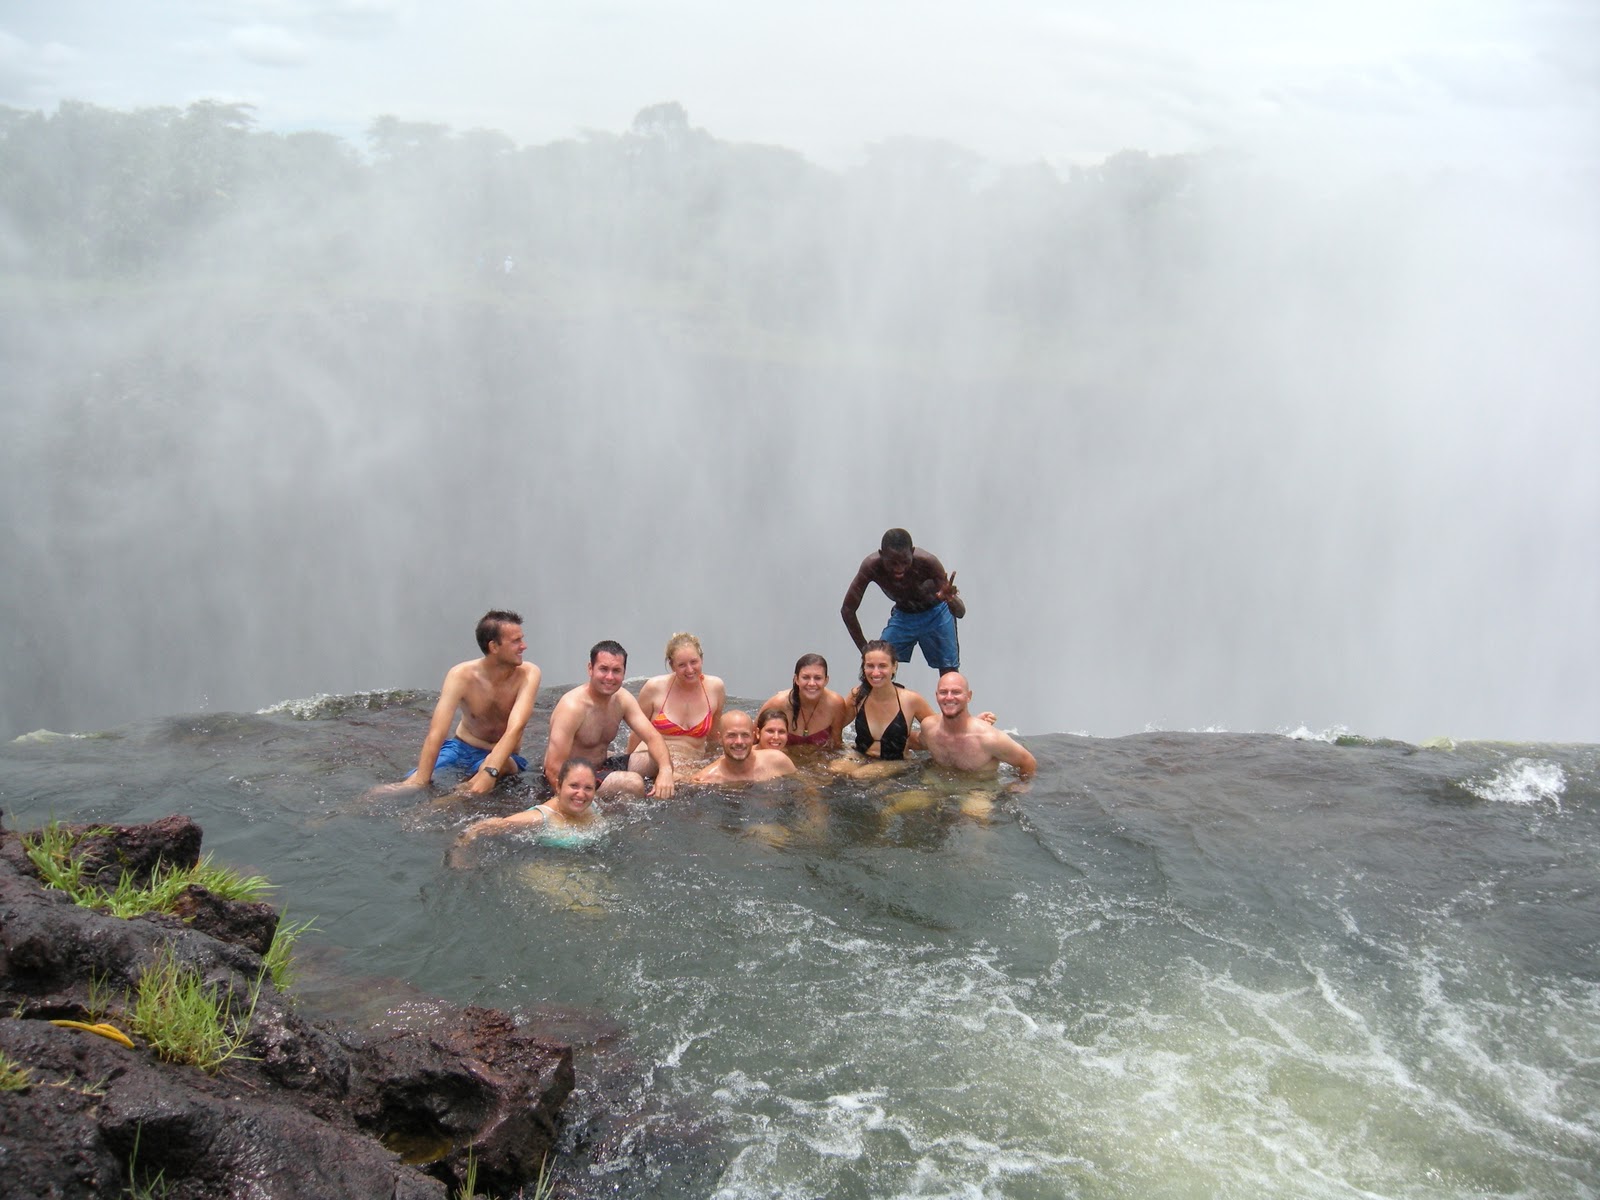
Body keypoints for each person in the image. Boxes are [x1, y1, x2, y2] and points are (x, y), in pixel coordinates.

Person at [398, 610, 541, 795]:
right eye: (516, 641)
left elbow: (516, 727)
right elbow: (437, 732)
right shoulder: (461, 675)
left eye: (522, 639)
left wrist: (490, 772)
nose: (524, 646)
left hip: (504, 755)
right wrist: (420, 781)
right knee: (410, 783)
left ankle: (452, 799)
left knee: (477, 784)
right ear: (494, 647)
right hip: (460, 749)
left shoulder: (528, 674)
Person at [544, 641, 676, 798]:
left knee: (659, 762)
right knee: (633, 783)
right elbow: (553, 768)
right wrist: (575, 807)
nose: (610, 677)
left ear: (624, 673)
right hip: (574, 778)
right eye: (603, 669)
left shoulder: (622, 699)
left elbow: (653, 737)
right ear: (590, 669)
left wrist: (666, 771)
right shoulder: (572, 707)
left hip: (603, 766)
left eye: (616, 671)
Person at [841, 528, 965, 673]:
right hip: (904, 616)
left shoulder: (928, 562)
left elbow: (961, 612)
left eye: (905, 562)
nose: (899, 569)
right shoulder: (871, 567)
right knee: (877, 662)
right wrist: (865, 650)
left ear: (912, 552)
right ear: (881, 555)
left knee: (949, 670)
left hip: (936, 613)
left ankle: (951, 694)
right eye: (892, 563)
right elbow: (847, 609)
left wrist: (950, 599)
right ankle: (883, 695)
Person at [829, 641, 936, 779]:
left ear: (894, 667)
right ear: (864, 667)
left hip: (896, 762)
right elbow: (835, 726)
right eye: (870, 666)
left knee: (861, 775)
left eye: (882, 666)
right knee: (833, 769)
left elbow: (937, 731)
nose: (875, 672)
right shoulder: (858, 696)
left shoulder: (911, 700)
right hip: (860, 755)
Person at [627, 632, 726, 772]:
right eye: (682, 665)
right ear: (672, 665)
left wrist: (715, 765)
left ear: (701, 659)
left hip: (689, 766)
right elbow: (637, 732)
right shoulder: (654, 688)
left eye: (694, 662)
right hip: (651, 761)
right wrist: (625, 762)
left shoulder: (715, 688)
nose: (690, 670)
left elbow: (713, 735)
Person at [920, 671, 1037, 789]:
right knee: (903, 804)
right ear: (936, 695)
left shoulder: (989, 738)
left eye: (956, 692)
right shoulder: (929, 727)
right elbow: (915, 741)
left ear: (969, 696)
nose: (949, 697)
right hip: (939, 784)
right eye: (943, 692)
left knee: (972, 808)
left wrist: (1016, 788)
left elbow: (1028, 762)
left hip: (979, 790)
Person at [456, 758, 603, 845]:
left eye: (588, 788)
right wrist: (461, 849)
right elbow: (489, 826)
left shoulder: (593, 806)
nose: (581, 794)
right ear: (558, 786)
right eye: (574, 786)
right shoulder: (540, 817)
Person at [760, 654, 848, 749]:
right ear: (796, 679)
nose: (811, 683)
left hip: (819, 761)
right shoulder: (778, 703)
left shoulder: (835, 704)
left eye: (818, 678)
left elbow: (836, 745)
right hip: (783, 759)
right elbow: (753, 738)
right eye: (805, 677)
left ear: (826, 680)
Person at [693, 712, 797, 784]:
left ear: (753, 736)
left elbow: (805, 789)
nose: (739, 741)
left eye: (745, 735)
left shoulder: (777, 761)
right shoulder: (705, 780)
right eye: (731, 735)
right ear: (720, 738)